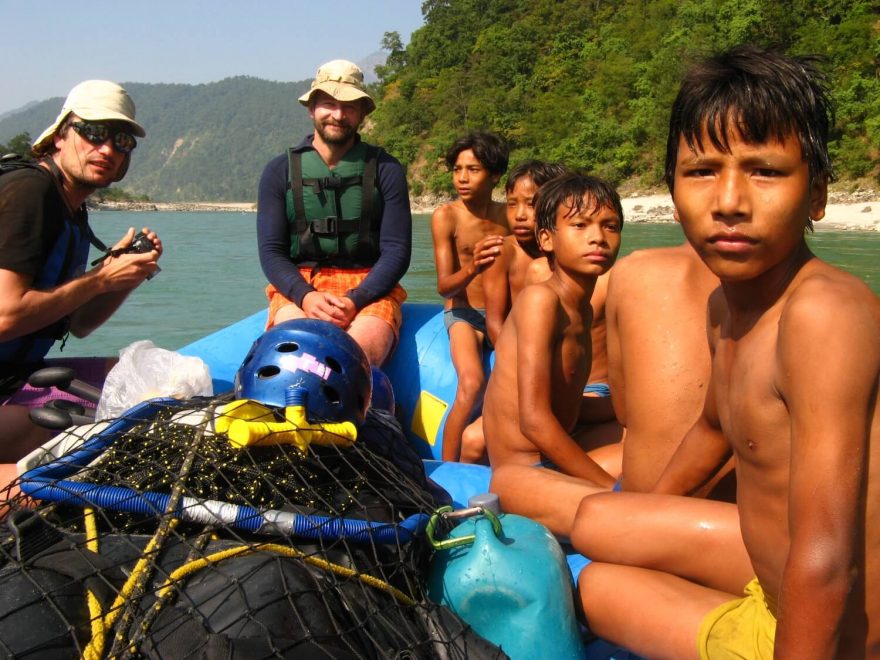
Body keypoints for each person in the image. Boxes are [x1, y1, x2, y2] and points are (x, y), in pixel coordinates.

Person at [572, 45, 879, 659]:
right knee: (597, 539)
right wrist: (644, 517)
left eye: (765, 171)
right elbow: (714, 428)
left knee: (600, 579)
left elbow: (827, 562)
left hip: (827, 630)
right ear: (671, 189)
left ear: (816, 195)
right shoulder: (728, 307)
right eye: (702, 171)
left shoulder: (824, 315)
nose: (730, 202)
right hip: (771, 579)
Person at [0, 80, 162, 482]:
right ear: (59, 136)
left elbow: (80, 325)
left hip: (15, 373)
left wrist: (122, 275)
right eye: (93, 132)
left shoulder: (71, 208)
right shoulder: (29, 192)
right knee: (96, 435)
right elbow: (4, 316)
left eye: (121, 140)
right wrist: (100, 278)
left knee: (142, 375)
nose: (106, 149)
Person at [256, 59, 412, 366]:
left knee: (355, 359)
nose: (338, 115)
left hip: (370, 287)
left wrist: (355, 300)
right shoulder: (279, 171)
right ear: (311, 108)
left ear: (362, 114)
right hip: (301, 284)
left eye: (349, 106)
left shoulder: (386, 170)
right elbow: (272, 252)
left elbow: (396, 251)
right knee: (294, 359)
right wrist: (306, 296)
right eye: (329, 104)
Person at [483, 172, 622, 490]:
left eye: (610, 226)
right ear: (546, 239)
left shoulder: (582, 308)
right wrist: (610, 488)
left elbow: (568, 403)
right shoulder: (541, 300)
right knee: (649, 463)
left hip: (561, 444)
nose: (598, 237)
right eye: (580, 225)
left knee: (659, 438)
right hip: (526, 470)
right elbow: (533, 420)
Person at [430, 132, 509, 462]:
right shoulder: (446, 217)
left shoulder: (508, 216)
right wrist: (474, 266)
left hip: (503, 314)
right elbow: (445, 286)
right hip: (463, 313)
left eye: (473, 169)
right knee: (473, 383)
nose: (462, 177)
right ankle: (447, 467)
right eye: (457, 169)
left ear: (494, 175)